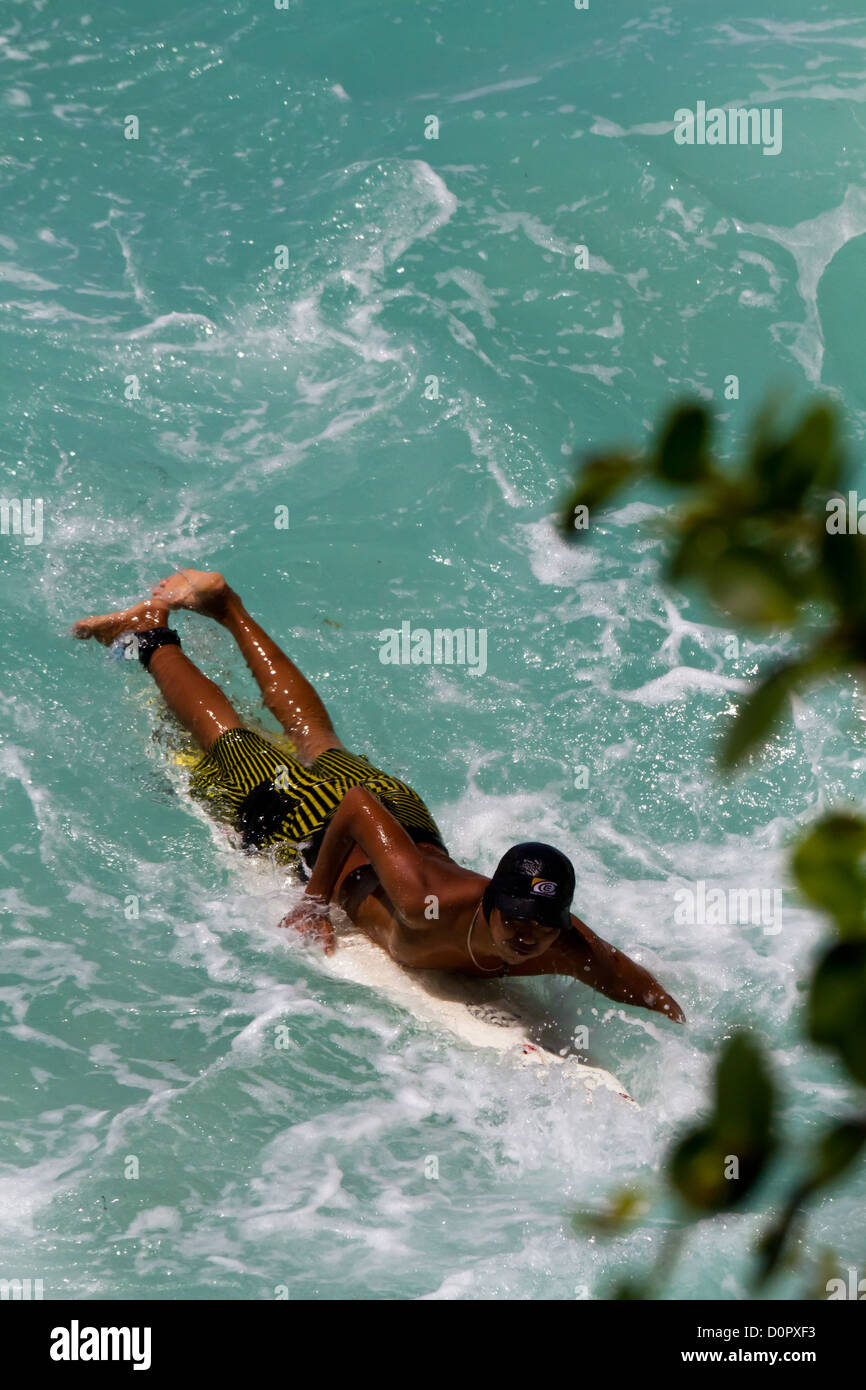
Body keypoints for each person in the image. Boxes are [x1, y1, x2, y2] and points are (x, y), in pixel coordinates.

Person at [72, 569, 685, 1023]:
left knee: (317, 736)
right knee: (225, 740)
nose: (529, 938)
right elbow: (358, 806)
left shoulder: (559, 944)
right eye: (520, 920)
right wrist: (314, 903)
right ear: (492, 902)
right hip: (327, 816)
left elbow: (627, 978)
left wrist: (678, 1021)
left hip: (406, 816)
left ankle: (227, 605)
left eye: (544, 927)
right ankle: (150, 633)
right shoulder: (427, 902)